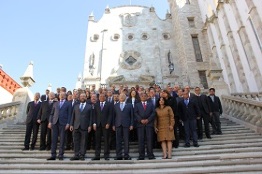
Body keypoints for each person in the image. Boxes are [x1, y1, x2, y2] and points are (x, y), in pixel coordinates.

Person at [47, 92, 72, 160]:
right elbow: (52, 113)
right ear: (59, 96)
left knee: (62, 140)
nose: (62, 96)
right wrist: (50, 122)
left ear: (65, 96)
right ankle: (53, 155)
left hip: (63, 124)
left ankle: (60, 155)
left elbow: (70, 114)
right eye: (60, 95)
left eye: (63, 95)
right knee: (54, 139)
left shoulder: (68, 104)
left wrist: (68, 123)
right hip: (55, 123)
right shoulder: (55, 103)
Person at [70, 93, 92, 161]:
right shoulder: (76, 106)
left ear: (86, 98)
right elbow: (73, 116)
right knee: (76, 141)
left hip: (85, 126)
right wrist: (71, 124)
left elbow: (91, 117)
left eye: (84, 96)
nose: (82, 97)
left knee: (83, 141)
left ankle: (82, 155)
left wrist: (90, 125)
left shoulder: (89, 106)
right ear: (79, 97)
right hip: (76, 126)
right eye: (81, 96)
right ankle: (76, 155)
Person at [134, 93, 156, 160]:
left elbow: (153, 113)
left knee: (149, 140)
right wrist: (140, 120)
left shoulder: (151, 104)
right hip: (140, 125)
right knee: (141, 140)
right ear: (140, 97)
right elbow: (135, 113)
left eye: (144, 96)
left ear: (147, 97)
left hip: (149, 124)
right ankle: (141, 155)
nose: (143, 97)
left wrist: (148, 119)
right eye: (142, 96)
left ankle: (150, 155)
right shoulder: (137, 105)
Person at [113, 93, 134, 160]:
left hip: (126, 125)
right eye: (120, 96)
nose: (121, 97)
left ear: (126, 98)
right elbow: (114, 116)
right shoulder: (115, 105)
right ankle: (118, 155)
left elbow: (132, 116)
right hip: (118, 125)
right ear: (118, 98)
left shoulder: (130, 105)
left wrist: (131, 124)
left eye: (123, 96)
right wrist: (113, 124)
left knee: (126, 140)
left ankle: (126, 155)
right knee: (118, 140)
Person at [92, 93, 113, 161]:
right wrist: (94, 123)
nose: (101, 97)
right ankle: (97, 155)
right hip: (98, 125)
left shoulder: (109, 104)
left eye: (103, 96)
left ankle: (106, 155)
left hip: (106, 125)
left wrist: (108, 123)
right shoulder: (96, 104)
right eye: (100, 96)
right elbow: (94, 115)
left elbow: (110, 115)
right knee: (97, 141)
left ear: (105, 97)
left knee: (106, 140)